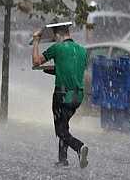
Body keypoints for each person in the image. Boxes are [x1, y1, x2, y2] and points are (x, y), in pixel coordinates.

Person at [31, 23, 89, 169]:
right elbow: (74, 69)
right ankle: (62, 160)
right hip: (78, 96)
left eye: (55, 38)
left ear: (57, 35)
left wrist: (36, 42)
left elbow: (36, 61)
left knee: (60, 130)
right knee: (64, 125)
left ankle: (79, 147)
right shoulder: (82, 50)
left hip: (62, 95)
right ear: (68, 32)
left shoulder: (57, 48)